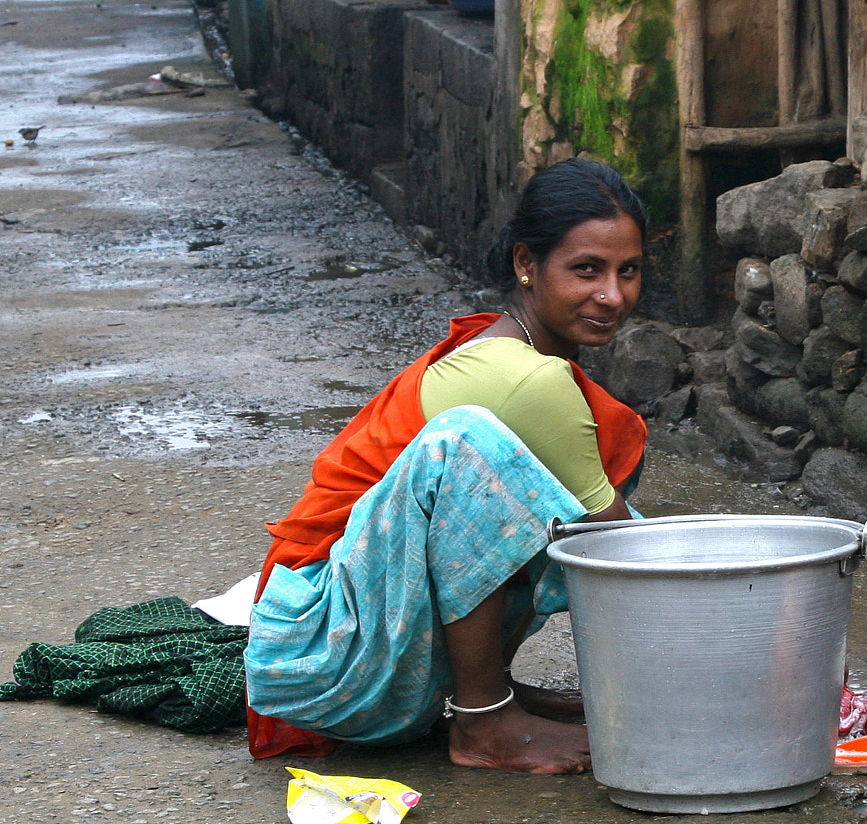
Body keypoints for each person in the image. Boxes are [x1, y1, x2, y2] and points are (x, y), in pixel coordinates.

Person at [243, 158, 650, 774]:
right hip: (322, 660)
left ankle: (481, 692)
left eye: (629, 272)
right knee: (465, 447)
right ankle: (484, 722)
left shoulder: (518, 353)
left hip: (368, 654)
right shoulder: (526, 378)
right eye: (586, 270)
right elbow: (624, 549)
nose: (612, 296)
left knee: (583, 475)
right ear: (525, 265)